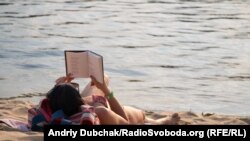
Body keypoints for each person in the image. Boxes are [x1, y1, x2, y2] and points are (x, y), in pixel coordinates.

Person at [48, 73, 180, 125]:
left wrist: (60, 88)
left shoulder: (52, 110)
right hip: (117, 114)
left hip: (95, 105)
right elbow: (125, 123)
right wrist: (106, 90)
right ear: (78, 100)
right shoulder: (99, 112)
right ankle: (163, 122)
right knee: (142, 116)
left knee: (102, 76)